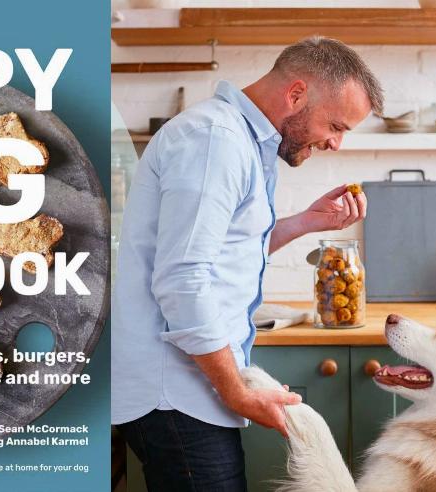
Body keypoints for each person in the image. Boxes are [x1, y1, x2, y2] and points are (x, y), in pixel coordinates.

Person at [111, 36, 384, 491]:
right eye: (336, 125)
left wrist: (304, 222)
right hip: (173, 390)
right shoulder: (214, 141)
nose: (335, 143)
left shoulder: (243, 142)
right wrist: (236, 391)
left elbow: (223, 251)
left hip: (194, 383)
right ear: (296, 94)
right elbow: (182, 281)